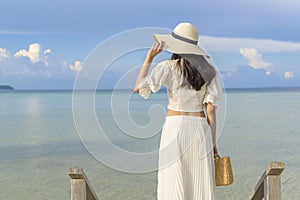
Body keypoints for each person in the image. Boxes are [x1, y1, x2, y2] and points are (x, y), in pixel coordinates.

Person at [134, 22, 222, 200]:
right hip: (200, 129)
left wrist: (149, 58)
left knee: (173, 181)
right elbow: (210, 112)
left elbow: (139, 88)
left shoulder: (168, 67)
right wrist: (213, 144)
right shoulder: (210, 71)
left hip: (175, 129)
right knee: (199, 183)